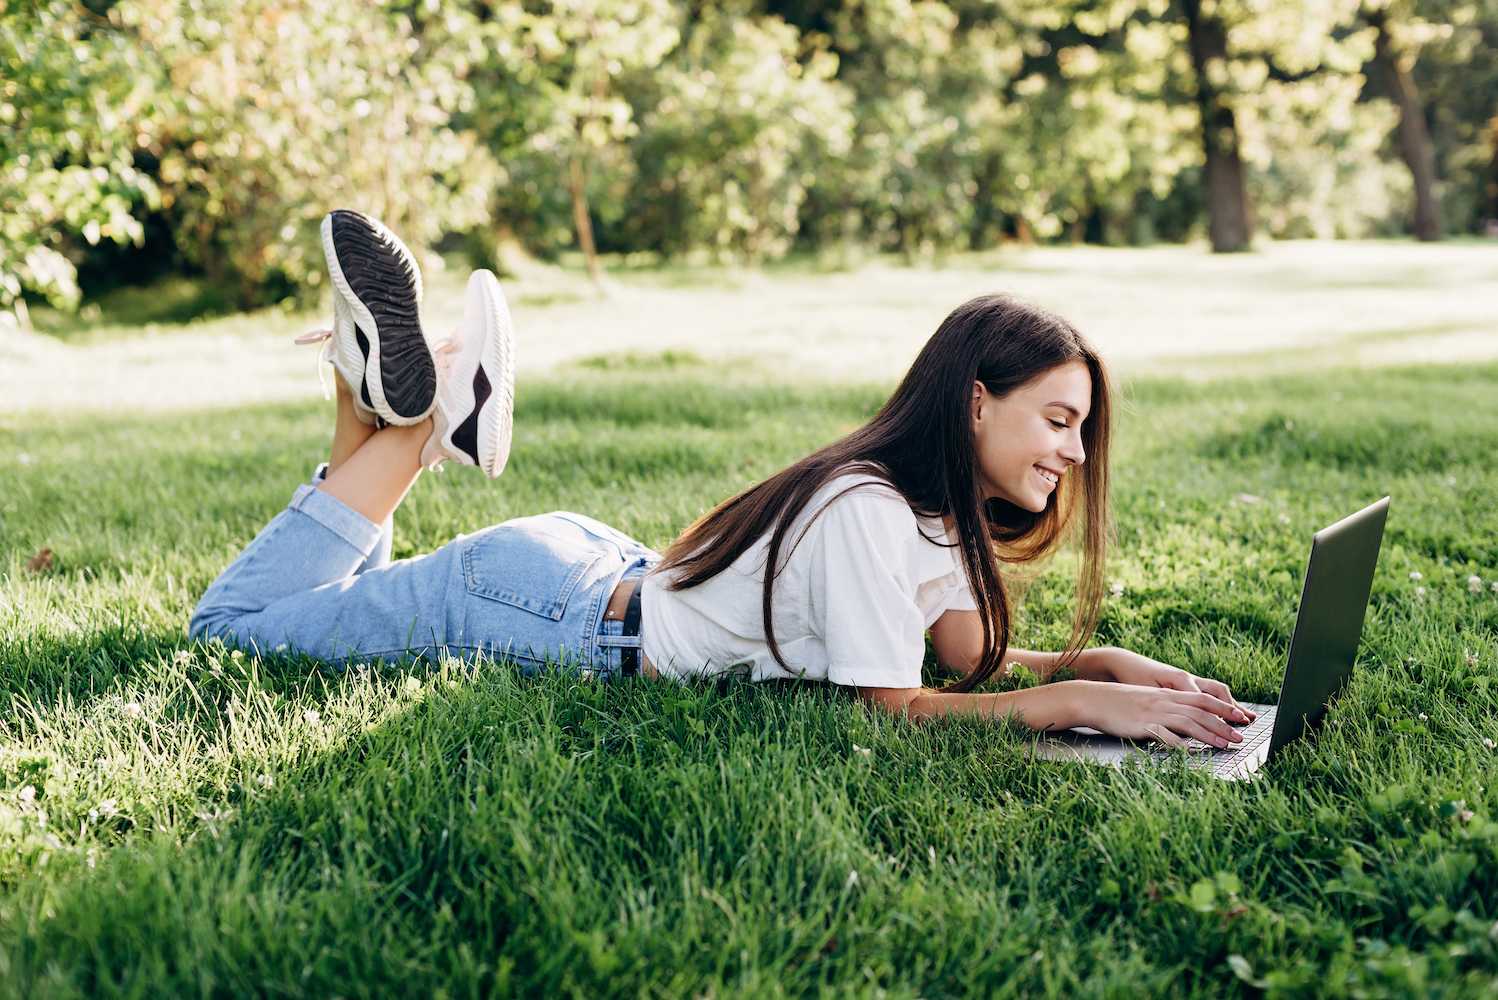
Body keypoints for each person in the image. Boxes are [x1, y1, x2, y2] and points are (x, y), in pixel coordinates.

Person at [189, 209, 1257, 752]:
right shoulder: (866, 508)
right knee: (232, 632)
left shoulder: (927, 512)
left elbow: (966, 659)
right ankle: (419, 422)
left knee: (312, 613)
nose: (1073, 453)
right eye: (1059, 420)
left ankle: (371, 380)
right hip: (548, 610)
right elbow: (894, 705)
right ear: (978, 400)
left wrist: (1099, 664)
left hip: (580, 580)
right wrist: (1069, 703)